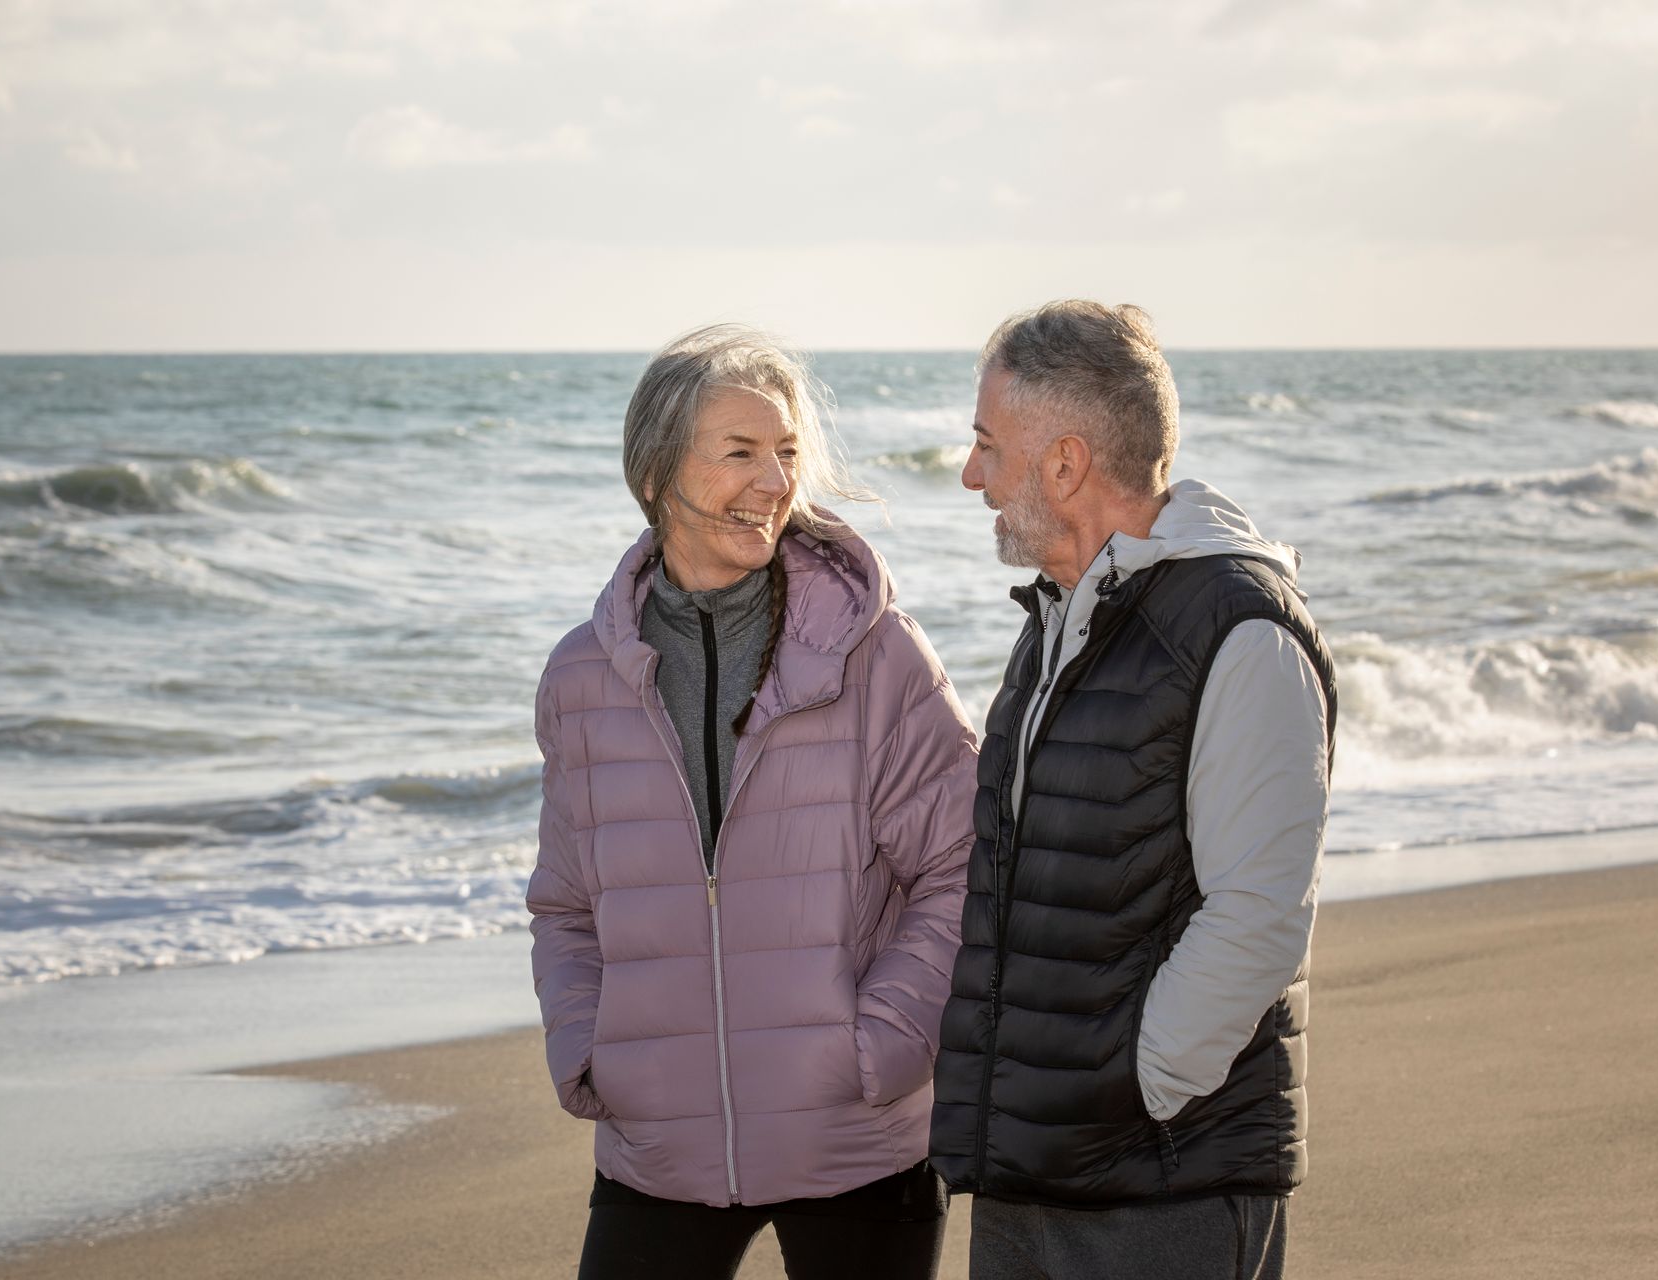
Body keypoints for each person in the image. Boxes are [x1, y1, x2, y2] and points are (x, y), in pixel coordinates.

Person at [527, 325, 978, 1280]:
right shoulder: (580, 677)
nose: (773, 481)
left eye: (785, 454)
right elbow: (567, 903)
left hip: (857, 1138)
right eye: (740, 453)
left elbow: (961, 864)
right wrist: (591, 1049)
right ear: (657, 472)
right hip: (659, 1145)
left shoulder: (875, 655)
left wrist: (885, 1045)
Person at [928, 301, 1337, 1280]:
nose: (969, 472)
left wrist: (1139, 1085)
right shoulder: (1067, 616)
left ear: (1065, 463)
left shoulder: (1239, 628)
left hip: (1161, 1182)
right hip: (1037, 1165)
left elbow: (1257, 910)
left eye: (988, 443)